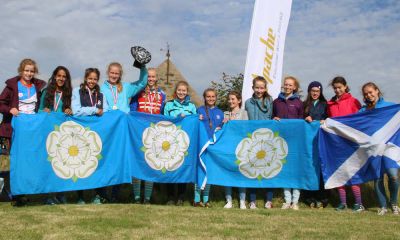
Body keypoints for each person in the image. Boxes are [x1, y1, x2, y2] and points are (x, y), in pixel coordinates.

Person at [0, 58, 46, 206]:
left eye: (32, 71)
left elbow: (41, 105)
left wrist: (44, 109)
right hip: (14, 129)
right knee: (15, 161)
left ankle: (24, 193)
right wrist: (10, 109)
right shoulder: (12, 86)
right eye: (26, 70)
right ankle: (12, 194)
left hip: (32, 130)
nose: (29, 73)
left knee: (28, 162)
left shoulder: (38, 87)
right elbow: (1, 103)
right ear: (21, 71)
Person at [100, 62, 147, 202]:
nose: (114, 75)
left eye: (117, 73)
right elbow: (102, 106)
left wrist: (142, 67)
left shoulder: (126, 87)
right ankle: (102, 194)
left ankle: (115, 195)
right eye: (112, 73)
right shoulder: (101, 88)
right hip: (109, 127)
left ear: (120, 74)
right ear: (108, 73)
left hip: (123, 128)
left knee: (120, 160)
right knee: (106, 158)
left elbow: (142, 83)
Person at [359, 82, 398, 215]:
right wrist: (329, 123)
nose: (369, 95)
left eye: (371, 92)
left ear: (377, 91)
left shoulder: (390, 107)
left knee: (393, 176)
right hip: (373, 149)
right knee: (378, 177)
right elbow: (351, 122)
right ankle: (383, 206)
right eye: (366, 94)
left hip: (389, 147)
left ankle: (393, 203)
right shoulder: (363, 111)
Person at [71, 67, 108, 204]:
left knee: (97, 163)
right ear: (86, 78)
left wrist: (103, 111)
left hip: (97, 134)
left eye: (95, 79)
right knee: (80, 164)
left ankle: (97, 195)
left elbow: (106, 110)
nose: (92, 81)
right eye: (90, 78)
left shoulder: (101, 95)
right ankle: (80, 196)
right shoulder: (77, 91)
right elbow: (76, 110)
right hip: (81, 133)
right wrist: (94, 110)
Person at [326, 76, 363, 212]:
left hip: (351, 143)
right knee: (339, 173)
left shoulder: (354, 102)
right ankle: (343, 203)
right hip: (336, 143)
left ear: (345, 86)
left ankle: (359, 203)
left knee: (353, 173)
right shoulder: (330, 104)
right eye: (335, 88)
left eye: (339, 87)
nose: (337, 90)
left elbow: (360, 120)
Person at [130, 68, 166, 204]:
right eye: (148, 77)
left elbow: (162, 113)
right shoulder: (138, 92)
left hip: (154, 134)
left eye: (153, 77)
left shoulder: (161, 94)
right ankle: (137, 197)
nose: (150, 79)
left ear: (156, 78)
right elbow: (132, 111)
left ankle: (147, 198)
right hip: (139, 132)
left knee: (151, 163)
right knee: (137, 163)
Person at [39, 66, 73, 205]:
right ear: (54, 76)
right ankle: (49, 195)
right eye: (59, 75)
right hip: (48, 133)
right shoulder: (47, 92)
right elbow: (39, 111)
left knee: (62, 164)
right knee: (49, 164)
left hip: (62, 135)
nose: (61, 78)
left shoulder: (68, 93)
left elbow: (71, 111)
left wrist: (70, 110)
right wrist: (44, 111)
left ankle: (61, 194)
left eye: (64, 76)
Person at [273, 76, 303, 210]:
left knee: (295, 171)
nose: (288, 87)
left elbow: (302, 122)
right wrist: (274, 119)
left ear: (295, 87)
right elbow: (272, 118)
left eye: (290, 85)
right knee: (284, 170)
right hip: (280, 141)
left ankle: (295, 202)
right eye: (286, 84)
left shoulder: (298, 103)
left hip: (295, 141)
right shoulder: (276, 102)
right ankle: (287, 201)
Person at [163, 81, 196, 206]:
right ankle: (170, 197)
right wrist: (177, 117)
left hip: (185, 141)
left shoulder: (192, 107)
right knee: (170, 167)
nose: (181, 92)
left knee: (183, 167)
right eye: (179, 90)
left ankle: (181, 197)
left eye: (184, 90)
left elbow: (195, 122)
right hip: (170, 141)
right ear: (175, 91)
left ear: (187, 92)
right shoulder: (168, 105)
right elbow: (165, 121)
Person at [244, 76, 274, 209]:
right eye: (257, 87)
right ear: (253, 88)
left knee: (268, 169)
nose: (259, 90)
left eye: (262, 87)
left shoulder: (270, 101)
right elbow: (244, 119)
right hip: (252, 140)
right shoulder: (248, 102)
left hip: (267, 139)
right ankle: (252, 200)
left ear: (265, 88)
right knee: (253, 170)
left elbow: (272, 117)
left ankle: (269, 199)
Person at [193, 88, 224, 207]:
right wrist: (196, 118)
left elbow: (222, 128)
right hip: (201, 145)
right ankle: (196, 199)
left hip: (213, 146)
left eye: (213, 96)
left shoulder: (220, 112)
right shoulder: (199, 110)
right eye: (208, 96)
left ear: (216, 98)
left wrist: (225, 123)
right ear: (204, 98)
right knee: (199, 171)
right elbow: (194, 125)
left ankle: (206, 200)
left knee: (209, 172)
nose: (211, 99)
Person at [302, 81, 329, 208]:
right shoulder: (304, 105)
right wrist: (305, 118)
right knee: (309, 167)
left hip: (322, 140)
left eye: (317, 91)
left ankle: (322, 197)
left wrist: (325, 120)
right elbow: (298, 121)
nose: (315, 93)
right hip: (307, 142)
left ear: (320, 92)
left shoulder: (325, 104)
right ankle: (308, 197)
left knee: (321, 167)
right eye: (312, 91)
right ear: (309, 91)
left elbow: (330, 119)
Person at [223, 91, 248, 209]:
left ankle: (242, 201)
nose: (231, 101)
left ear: (239, 100)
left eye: (233, 99)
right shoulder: (225, 114)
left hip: (241, 148)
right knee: (227, 173)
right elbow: (222, 130)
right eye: (229, 99)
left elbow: (246, 129)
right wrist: (224, 124)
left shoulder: (244, 113)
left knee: (241, 173)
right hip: (228, 148)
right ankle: (229, 200)